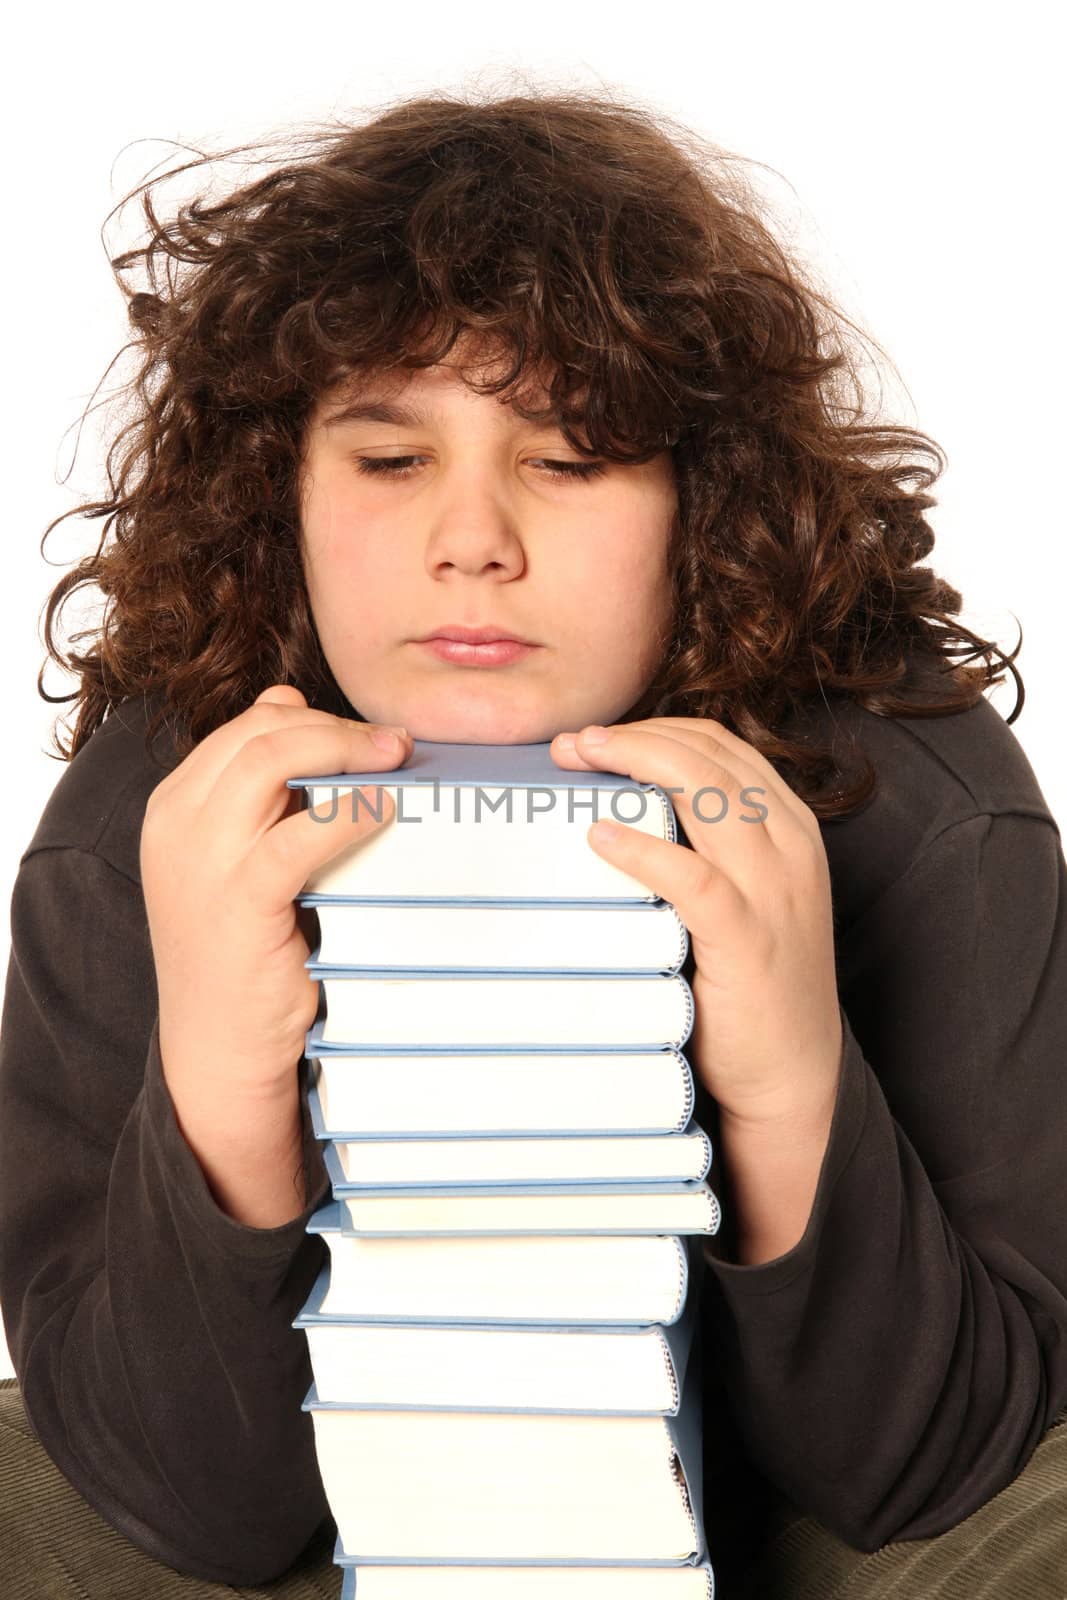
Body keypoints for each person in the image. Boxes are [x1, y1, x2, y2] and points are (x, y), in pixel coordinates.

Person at [1, 85, 1065, 1600]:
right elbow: (190, 1508)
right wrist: (228, 1092)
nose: (474, 543)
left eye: (569, 460)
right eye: (389, 462)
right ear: (279, 494)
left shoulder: (925, 797)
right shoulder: (152, 821)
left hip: (811, 1504)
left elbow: (928, 1463)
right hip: (318, 1503)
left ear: (702, 502)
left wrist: (790, 1078)